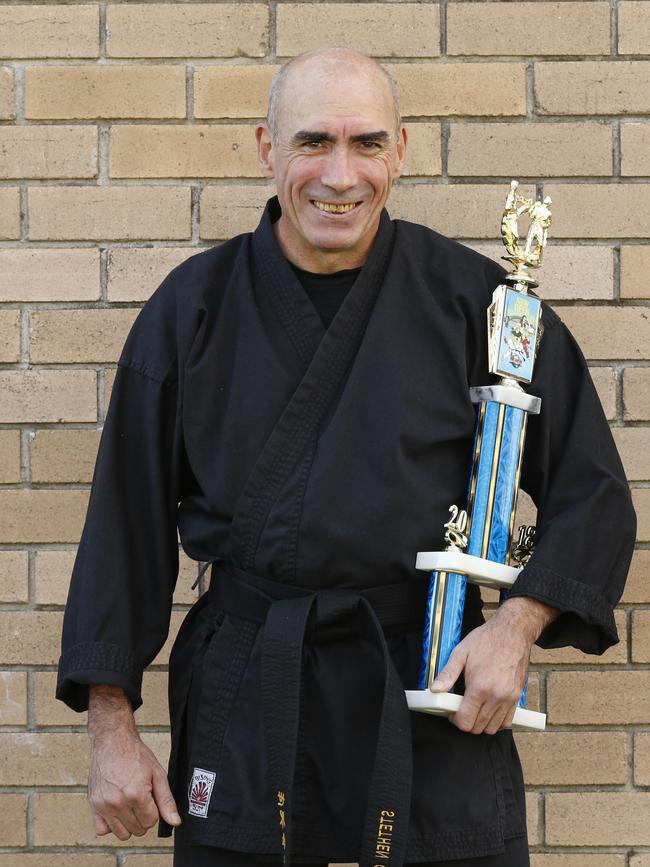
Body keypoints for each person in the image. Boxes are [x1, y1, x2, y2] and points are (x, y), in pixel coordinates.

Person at [56, 47, 636, 867]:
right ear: (266, 147)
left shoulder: (479, 304)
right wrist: (110, 727)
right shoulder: (192, 308)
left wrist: (515, 627)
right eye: (312, 142)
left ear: (401, 150)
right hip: (254, 687)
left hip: (427, 683)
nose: (340, 173)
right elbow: (125, 527)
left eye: (366, 143)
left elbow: (595, 492)